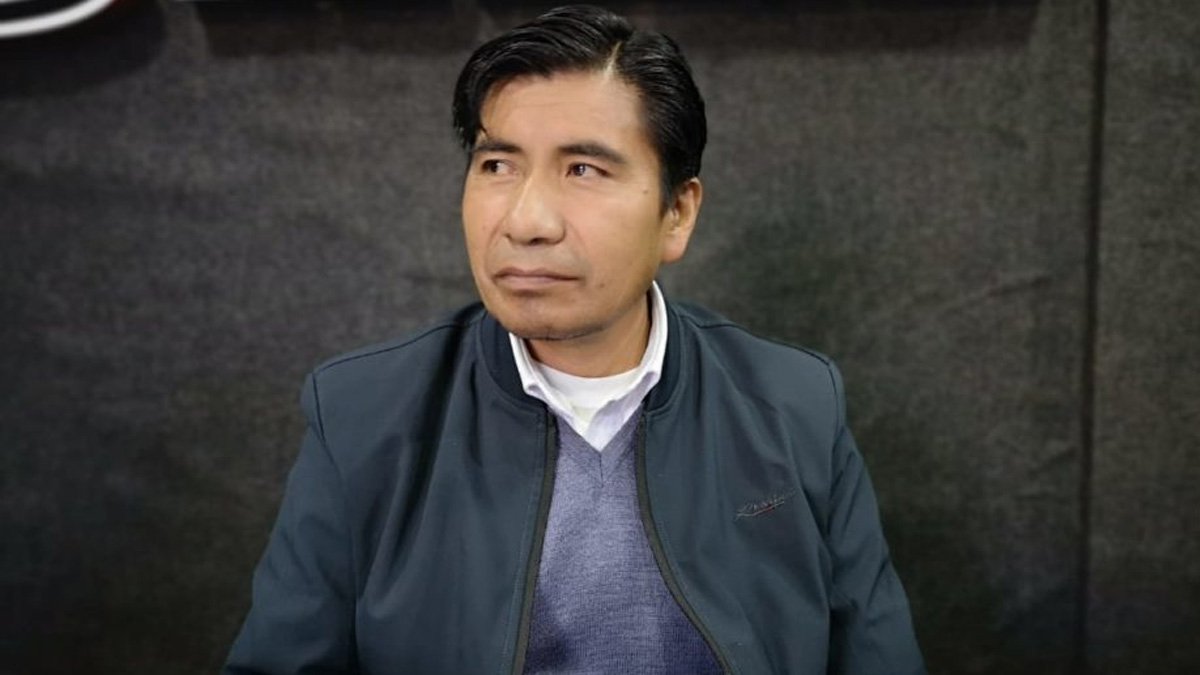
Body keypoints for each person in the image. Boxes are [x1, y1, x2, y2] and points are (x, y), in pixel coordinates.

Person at [224, 5, 924, 674]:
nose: (527, 221)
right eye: (497, 165)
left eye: (583, 169)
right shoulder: (364, 415)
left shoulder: (795, 405)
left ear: (677, 213)